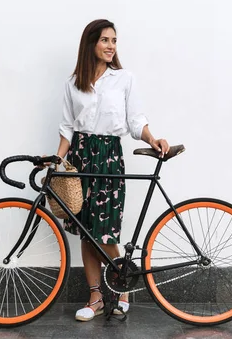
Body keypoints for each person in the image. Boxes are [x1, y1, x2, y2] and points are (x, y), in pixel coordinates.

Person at [53, 19, 169, 322]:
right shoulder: (73, 82)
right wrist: (56, 162)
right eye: (105, 40)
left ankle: (122, 290)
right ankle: (95, 297)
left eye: (114, 41)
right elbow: (67, 127)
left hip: (108, 158)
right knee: (84, 232)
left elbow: (135, 120)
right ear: (91, 43)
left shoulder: (124, 78)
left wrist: (152, 138)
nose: (110, 46)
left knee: (104, 233)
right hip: (80, 157)